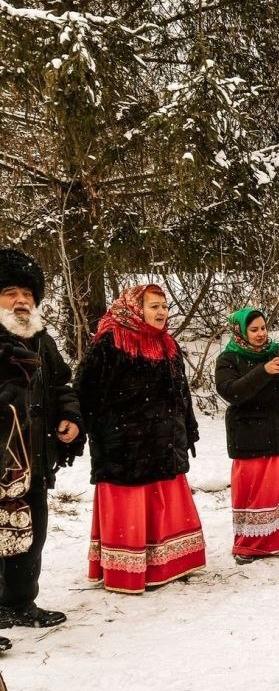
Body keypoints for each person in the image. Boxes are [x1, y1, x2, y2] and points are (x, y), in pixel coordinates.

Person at [76, 284, 206, 593]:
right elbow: (85, 393)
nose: (161, 312)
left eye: (164, 306)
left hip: (164, 442)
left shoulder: (168, 344)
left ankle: (168, 565)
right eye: (154, 306)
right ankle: (129, 571)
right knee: (132, 508)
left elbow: (181, 394)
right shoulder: (110, 341)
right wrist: (102, 435)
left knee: (163, 502)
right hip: (124, 449)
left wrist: (188, 429)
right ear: (135, 308)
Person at [0, 250, 83, 649]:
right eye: (10, 292)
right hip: (2, 461)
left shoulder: (43, 340)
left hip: (34, 458)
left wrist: (69, 418)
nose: (21, 300)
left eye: (27, 293)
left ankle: (19, 604)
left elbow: (63, 386)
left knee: (31, 534)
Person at [215, 308, 279, 563]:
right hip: (250, 437)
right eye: (254, 329)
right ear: (240, 331)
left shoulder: (276, 352)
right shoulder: (229, 359)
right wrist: (264, 371)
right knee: (256, 493)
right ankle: (251, 545)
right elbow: (231, 392)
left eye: (263, 328)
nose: (260, 334)